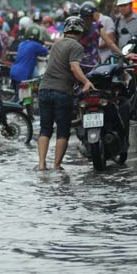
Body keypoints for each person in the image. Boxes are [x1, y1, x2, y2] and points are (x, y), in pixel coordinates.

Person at [37, 17, 94, 171]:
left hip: (44, 90)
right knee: (62, 131)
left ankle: (42, 164)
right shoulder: (76, 46)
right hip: (61, 91)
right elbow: (74, 67)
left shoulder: (56, 44)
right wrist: (86, 82)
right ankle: (56, 166)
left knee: (45, 129)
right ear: (80, 32)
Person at [9, 25, 49, 100]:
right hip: (23, 75)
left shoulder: (22, 44)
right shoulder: (36, 45)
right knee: (22, 99)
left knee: (18, 95)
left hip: (13, 71)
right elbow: (46, 52)